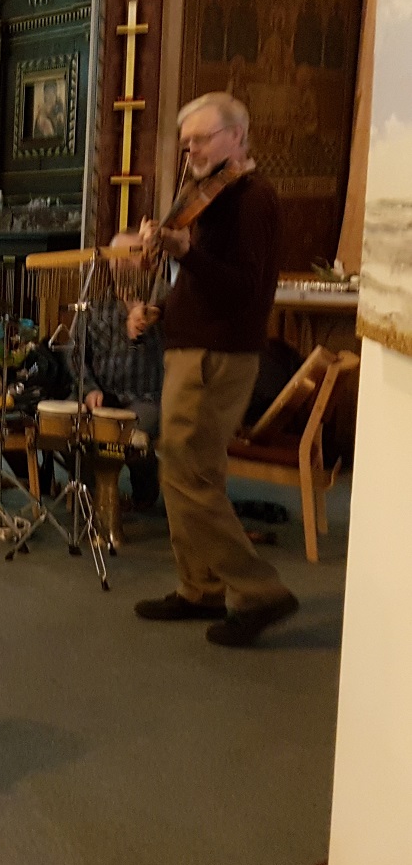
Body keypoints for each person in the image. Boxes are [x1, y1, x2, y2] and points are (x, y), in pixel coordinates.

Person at [134, 91, 296, 647]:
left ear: (237, 136)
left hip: (216, 358)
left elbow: (242, 290)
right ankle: (199, 587)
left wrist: (186, 253)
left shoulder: (252, 201)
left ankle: (259, 590)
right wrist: (162, 307)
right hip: (197, 350)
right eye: (187, 144)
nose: (192, 152)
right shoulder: (217, 199)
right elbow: (204, 286)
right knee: (192, 474)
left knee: (186, 476)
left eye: (201, 139)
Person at [77, 231, 164, 509]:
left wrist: (150, 315)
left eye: (131, 256)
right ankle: (91, 494)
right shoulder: (94, 307)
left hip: (145, 399)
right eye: (117, 257)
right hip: (103, 394)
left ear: (146, 260)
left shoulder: (162, 301)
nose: (122, 263)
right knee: (68, 424)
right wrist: (89, 389)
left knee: (129, 434)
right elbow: (76, 355)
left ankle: (145, 483)